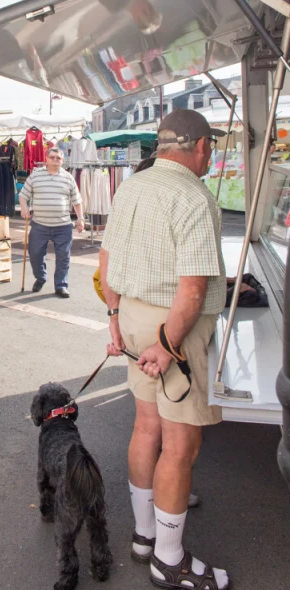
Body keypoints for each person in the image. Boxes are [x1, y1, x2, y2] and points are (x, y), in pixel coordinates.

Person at [99, 109, 229, 590]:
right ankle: (168, 561)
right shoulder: (195, 198)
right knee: (180, 445)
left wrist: (113, 319)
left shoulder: (133, 185)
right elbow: (192, 293)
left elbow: (107, 259)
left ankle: (144, 535)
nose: (210, 156)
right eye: (210, 148)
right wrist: (169, 345)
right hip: (172, 327)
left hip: (131, 317)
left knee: (145, 426)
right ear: (199, 147)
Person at [19, 147, 85, 298]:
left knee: (63, 257)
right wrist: (24, 208)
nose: (55, 160)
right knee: (35, 254)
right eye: (53, 157)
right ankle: (41, 277)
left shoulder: (68, 177)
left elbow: (77, 201)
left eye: (59, 158)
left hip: (63, 226)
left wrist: (80, 219)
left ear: (62, 161)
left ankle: (61, 285)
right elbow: (23, 195)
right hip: (39, 225)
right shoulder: (36, 176)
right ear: (46, 159)